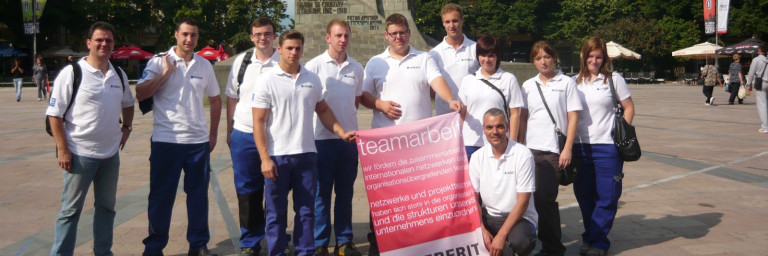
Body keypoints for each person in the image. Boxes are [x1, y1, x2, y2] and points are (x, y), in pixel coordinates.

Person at [360, 13, 464, 256]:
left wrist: (450, 99)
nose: (398, 37)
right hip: (387, 143)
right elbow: (363, 95)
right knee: (385, 195)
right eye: (393, 33)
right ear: (386, 35)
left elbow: (436, 80)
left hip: (420, 142)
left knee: (419, 193)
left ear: (408, 33)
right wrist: (379, 104)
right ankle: (379, 241)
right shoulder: (375, 62)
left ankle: (419, 239)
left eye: (402, 32)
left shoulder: (424, 58)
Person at [251, 30, 356, 256]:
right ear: (279, 49)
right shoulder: (267, 80)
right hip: (277, 156)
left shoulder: (311, 78)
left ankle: (305, 252)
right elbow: (258, 122)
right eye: (289, 48)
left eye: (298, 48)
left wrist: (341, 132)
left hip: (306, 154)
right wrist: (264, 158)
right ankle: (276, 252)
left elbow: (324, 111)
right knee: (275, 213)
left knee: (307, 212)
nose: (294, 52)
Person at [135, 17, 222, 256]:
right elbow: (141, 93)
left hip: (197, 142)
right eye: (185, 34)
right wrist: (166, 73)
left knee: (198, 197)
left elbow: (215, 100)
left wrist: (213, 134)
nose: (189, 39)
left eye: (193, 35)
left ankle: (198, 244)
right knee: (161, 197)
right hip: (167, 140)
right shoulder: (158, 61)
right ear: (176, 35)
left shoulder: (204, 65)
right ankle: (154, 247)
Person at [47, 21, 134, 256]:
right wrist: (63, 149)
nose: (104, 44)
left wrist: (126, 127)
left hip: (110, 156)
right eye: (99, 40)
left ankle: (103, 251)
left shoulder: (118, 74)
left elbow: (128, 103)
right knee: (70, 211)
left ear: (114, 44)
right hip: (79, 154)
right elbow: (54, 114)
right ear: (89, 43)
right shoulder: (72, 73)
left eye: (108, 40)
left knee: (107, 208)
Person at [305, 19, 364, 256]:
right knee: (321, 194)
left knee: (345, 193)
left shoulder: (356, 68)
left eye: (346, 36)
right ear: (327, 37)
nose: (343, 40)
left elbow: (355, 102)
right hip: (321, 140)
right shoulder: (314, 66)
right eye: (338, 36)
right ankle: (320, 242)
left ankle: (344, 240)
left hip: (349, 141)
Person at [572, 37, 635, 256]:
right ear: (584, 57)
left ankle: (598, 243)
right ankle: (590, 236)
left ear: (604, 59)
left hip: (608, 148)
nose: (594, 60)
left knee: (608, 196)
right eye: (590, 56)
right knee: (584, 195)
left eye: (598, 57)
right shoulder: (573, 82)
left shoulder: (614, 79)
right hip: (580, 147)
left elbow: (628, 108)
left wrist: (621, 133)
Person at [518, 41, 581, 256]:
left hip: (553, 150)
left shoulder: (567, 83)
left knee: (545, 199)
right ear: (533, 62)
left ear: (554, 57)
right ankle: (539, 242)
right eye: (538, 58)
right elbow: (523, 118)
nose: (543, 62)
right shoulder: (528, 85)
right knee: (530, 199)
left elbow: (573, 117)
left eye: (546, 57)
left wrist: (568, 148)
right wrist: (519, 146)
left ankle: (554, 248)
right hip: (530, 150)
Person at [225, 17, 280, 256]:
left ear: (275, 36)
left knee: (276, 190)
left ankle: (277, 237)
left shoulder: (284, 61)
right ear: (251, 37)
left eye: (267, 34)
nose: (262, 38)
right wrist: (230, 131)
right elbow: (232, 98)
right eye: (258, 34)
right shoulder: (242, 62)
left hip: (275, 136)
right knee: (247, 191)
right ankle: (250, 241)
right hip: (245, 134)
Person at [470, 108, 537, 256]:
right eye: (489, 127)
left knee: (521, 242)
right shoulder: (476, 157)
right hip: (489, 216)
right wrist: (481, 229)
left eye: (499, 126)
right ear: (484, 129)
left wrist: (501, 236)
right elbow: (473, 198)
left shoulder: (523, 155)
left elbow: (523, 202)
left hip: (519, 218)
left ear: (507, 127)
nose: (494, 132)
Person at [459, 35, 523, 160]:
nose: (487, 60)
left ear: (497, 56)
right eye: (483, 55)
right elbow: (463, 114)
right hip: (471, 142)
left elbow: (515, 114)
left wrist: (512, 143)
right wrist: (459, 140)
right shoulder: (468, 80)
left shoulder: (509, 79)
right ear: (478, 56)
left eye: (491, 55)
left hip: (498, 142)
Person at [429, 3, 479, 116]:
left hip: (472, 114)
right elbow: (431, 88)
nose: (451, 25)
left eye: (455, 21)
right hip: (445, 116)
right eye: (447, 22)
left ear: (462, 20)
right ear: (443, 23)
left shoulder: (476, 48)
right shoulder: (434, 53)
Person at [746, 43, 768, 133]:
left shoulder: (756, 60)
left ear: (759, 50)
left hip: (761, 83)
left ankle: (765, 127)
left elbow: (751, 73)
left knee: (762, 104)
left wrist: (749, 84)